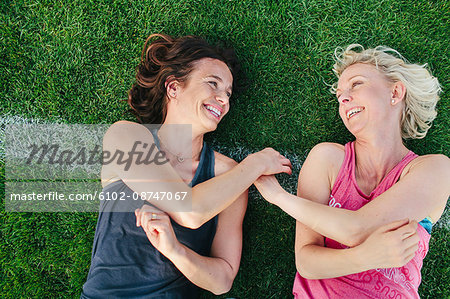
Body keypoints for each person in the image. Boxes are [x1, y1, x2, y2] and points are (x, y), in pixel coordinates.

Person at [81, 34, 292, 298]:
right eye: (212, 84)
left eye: (227, 93)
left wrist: (175, 251)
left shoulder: (230, 175)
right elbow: (189, 210)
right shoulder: (126, 136)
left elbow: (223, 279)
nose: (224, 100)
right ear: (173, 88)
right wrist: (256, 163)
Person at [254, 44, 449, 298]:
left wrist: (279, 197)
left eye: (356, 85)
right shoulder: (327, 158)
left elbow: (358, 229)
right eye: (340, 95)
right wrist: (364, 257)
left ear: (395, 92)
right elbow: (306, 262)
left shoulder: (436, 169)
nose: (343, 98)